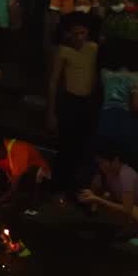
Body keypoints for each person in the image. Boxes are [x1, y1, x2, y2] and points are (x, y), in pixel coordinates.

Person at [47, 12, 99, 193]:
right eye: (76, 33)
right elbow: (53, 82)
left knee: (84, 147)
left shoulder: (93, 48)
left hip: (87, 103)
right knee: (66, 146)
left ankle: (76, 187)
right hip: (70, 101)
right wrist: (51, 112)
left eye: (83, 33)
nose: (79, 38)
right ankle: (59, 185)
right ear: (69, 34)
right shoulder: (64, 51)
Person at [80, 141, 138, 231]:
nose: (100, 166)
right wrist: (93, 194)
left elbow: (127, 209)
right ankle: (134, 230)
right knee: (109, 198)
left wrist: (97, 199)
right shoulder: (109, 173)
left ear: (115, 160)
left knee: (124, 207)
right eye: (99, 163)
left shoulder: (126, 174)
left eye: (102, 163)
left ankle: (136, 231)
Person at [97, 40, 138, 157]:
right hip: (126, 120)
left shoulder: (106, 74)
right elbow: (136, 106)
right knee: (124, 157)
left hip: (106, 118)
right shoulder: (137, 78)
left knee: (105, 156)